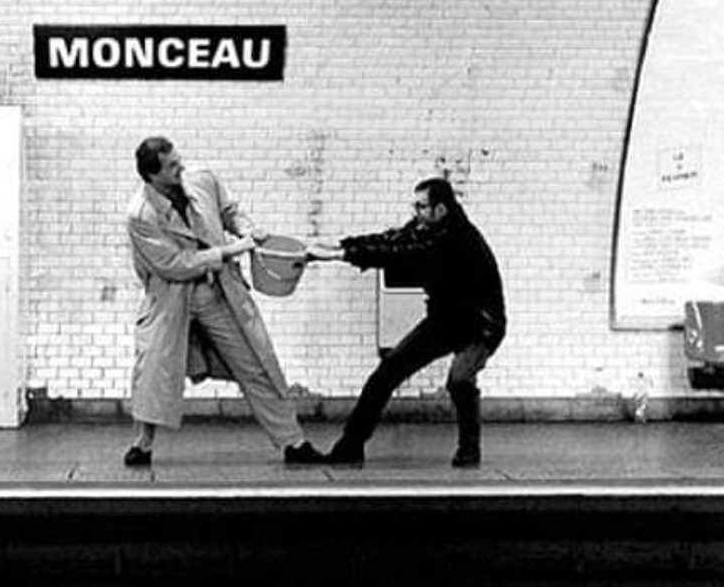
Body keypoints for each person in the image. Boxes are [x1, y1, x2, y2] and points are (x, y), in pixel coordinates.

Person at [123, 136, 324, 467]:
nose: (180, 167)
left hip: (215, 293)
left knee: (255, 364)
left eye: (178, 159)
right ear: (151, 175)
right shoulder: (141, 215)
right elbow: (174, 265)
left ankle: (294, 442)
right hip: (170, 300)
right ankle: (142, 444)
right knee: (153, 373)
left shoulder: (202, 179)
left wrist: (248, 229)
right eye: (171, 166)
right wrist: (231, 250)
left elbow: (229, 212)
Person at [306, 177, 505, 468]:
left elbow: (401, 254)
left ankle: (469, 450)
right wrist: (341, 244)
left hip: (480, 324)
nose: (417, 212)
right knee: (386, 373)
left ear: (441, 209)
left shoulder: (457, 238)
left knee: (459, 380)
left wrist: (339, 255)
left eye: (422, 206)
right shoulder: (425, 227)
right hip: (445, 319)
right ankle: (350, 446)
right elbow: (392, 241)